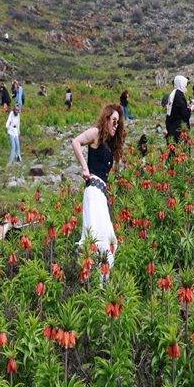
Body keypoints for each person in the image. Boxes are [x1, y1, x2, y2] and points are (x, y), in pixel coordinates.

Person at [71, 105, 125, 271]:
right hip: (93, 191)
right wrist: (85, 168)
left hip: (101, 193)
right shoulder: (96, 133)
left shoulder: (109, 144)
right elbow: (76, 142)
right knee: (97, 235)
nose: (116, 125)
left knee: (109, 239)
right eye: (114, 121)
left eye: (118, 123)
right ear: (106, 119)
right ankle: (92, 276)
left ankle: (102, 280)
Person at [165, 75, 193, 143]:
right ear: (181, 83)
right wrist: (190, 109)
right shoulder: (179, 95)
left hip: (172, 127)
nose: (185, 86)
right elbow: (185, 115)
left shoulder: (173, 94)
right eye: (184, 84)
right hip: (178, 130)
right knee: (180, 150)